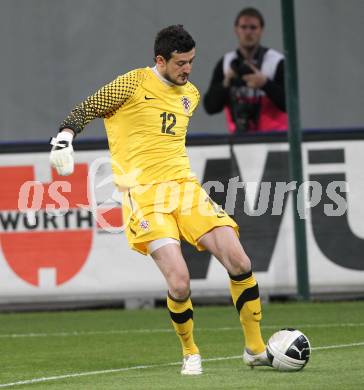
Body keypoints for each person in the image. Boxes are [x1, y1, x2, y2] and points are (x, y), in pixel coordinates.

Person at [49, 24, 270, 375]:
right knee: (180, 281)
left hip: (184, 189)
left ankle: (255, 349)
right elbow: (87, 108)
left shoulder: (191, 95)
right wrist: (63, 137)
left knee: (239, 261)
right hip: (143, 195)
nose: (187, 69)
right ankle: (190, 351)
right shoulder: (133, 83)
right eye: (181, 63)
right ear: (160, 60)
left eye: (191, 62)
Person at [203, 7, 288, 134]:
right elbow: (210, 107)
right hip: (239, 140)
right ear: (236, 30)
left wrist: (265, 84)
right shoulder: (226, 63)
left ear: (261, 30)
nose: (248, 32)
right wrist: (227, 83)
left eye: (253, 27)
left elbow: (290, 105)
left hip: (275, 139)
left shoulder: (276, 62)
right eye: (243, 27)